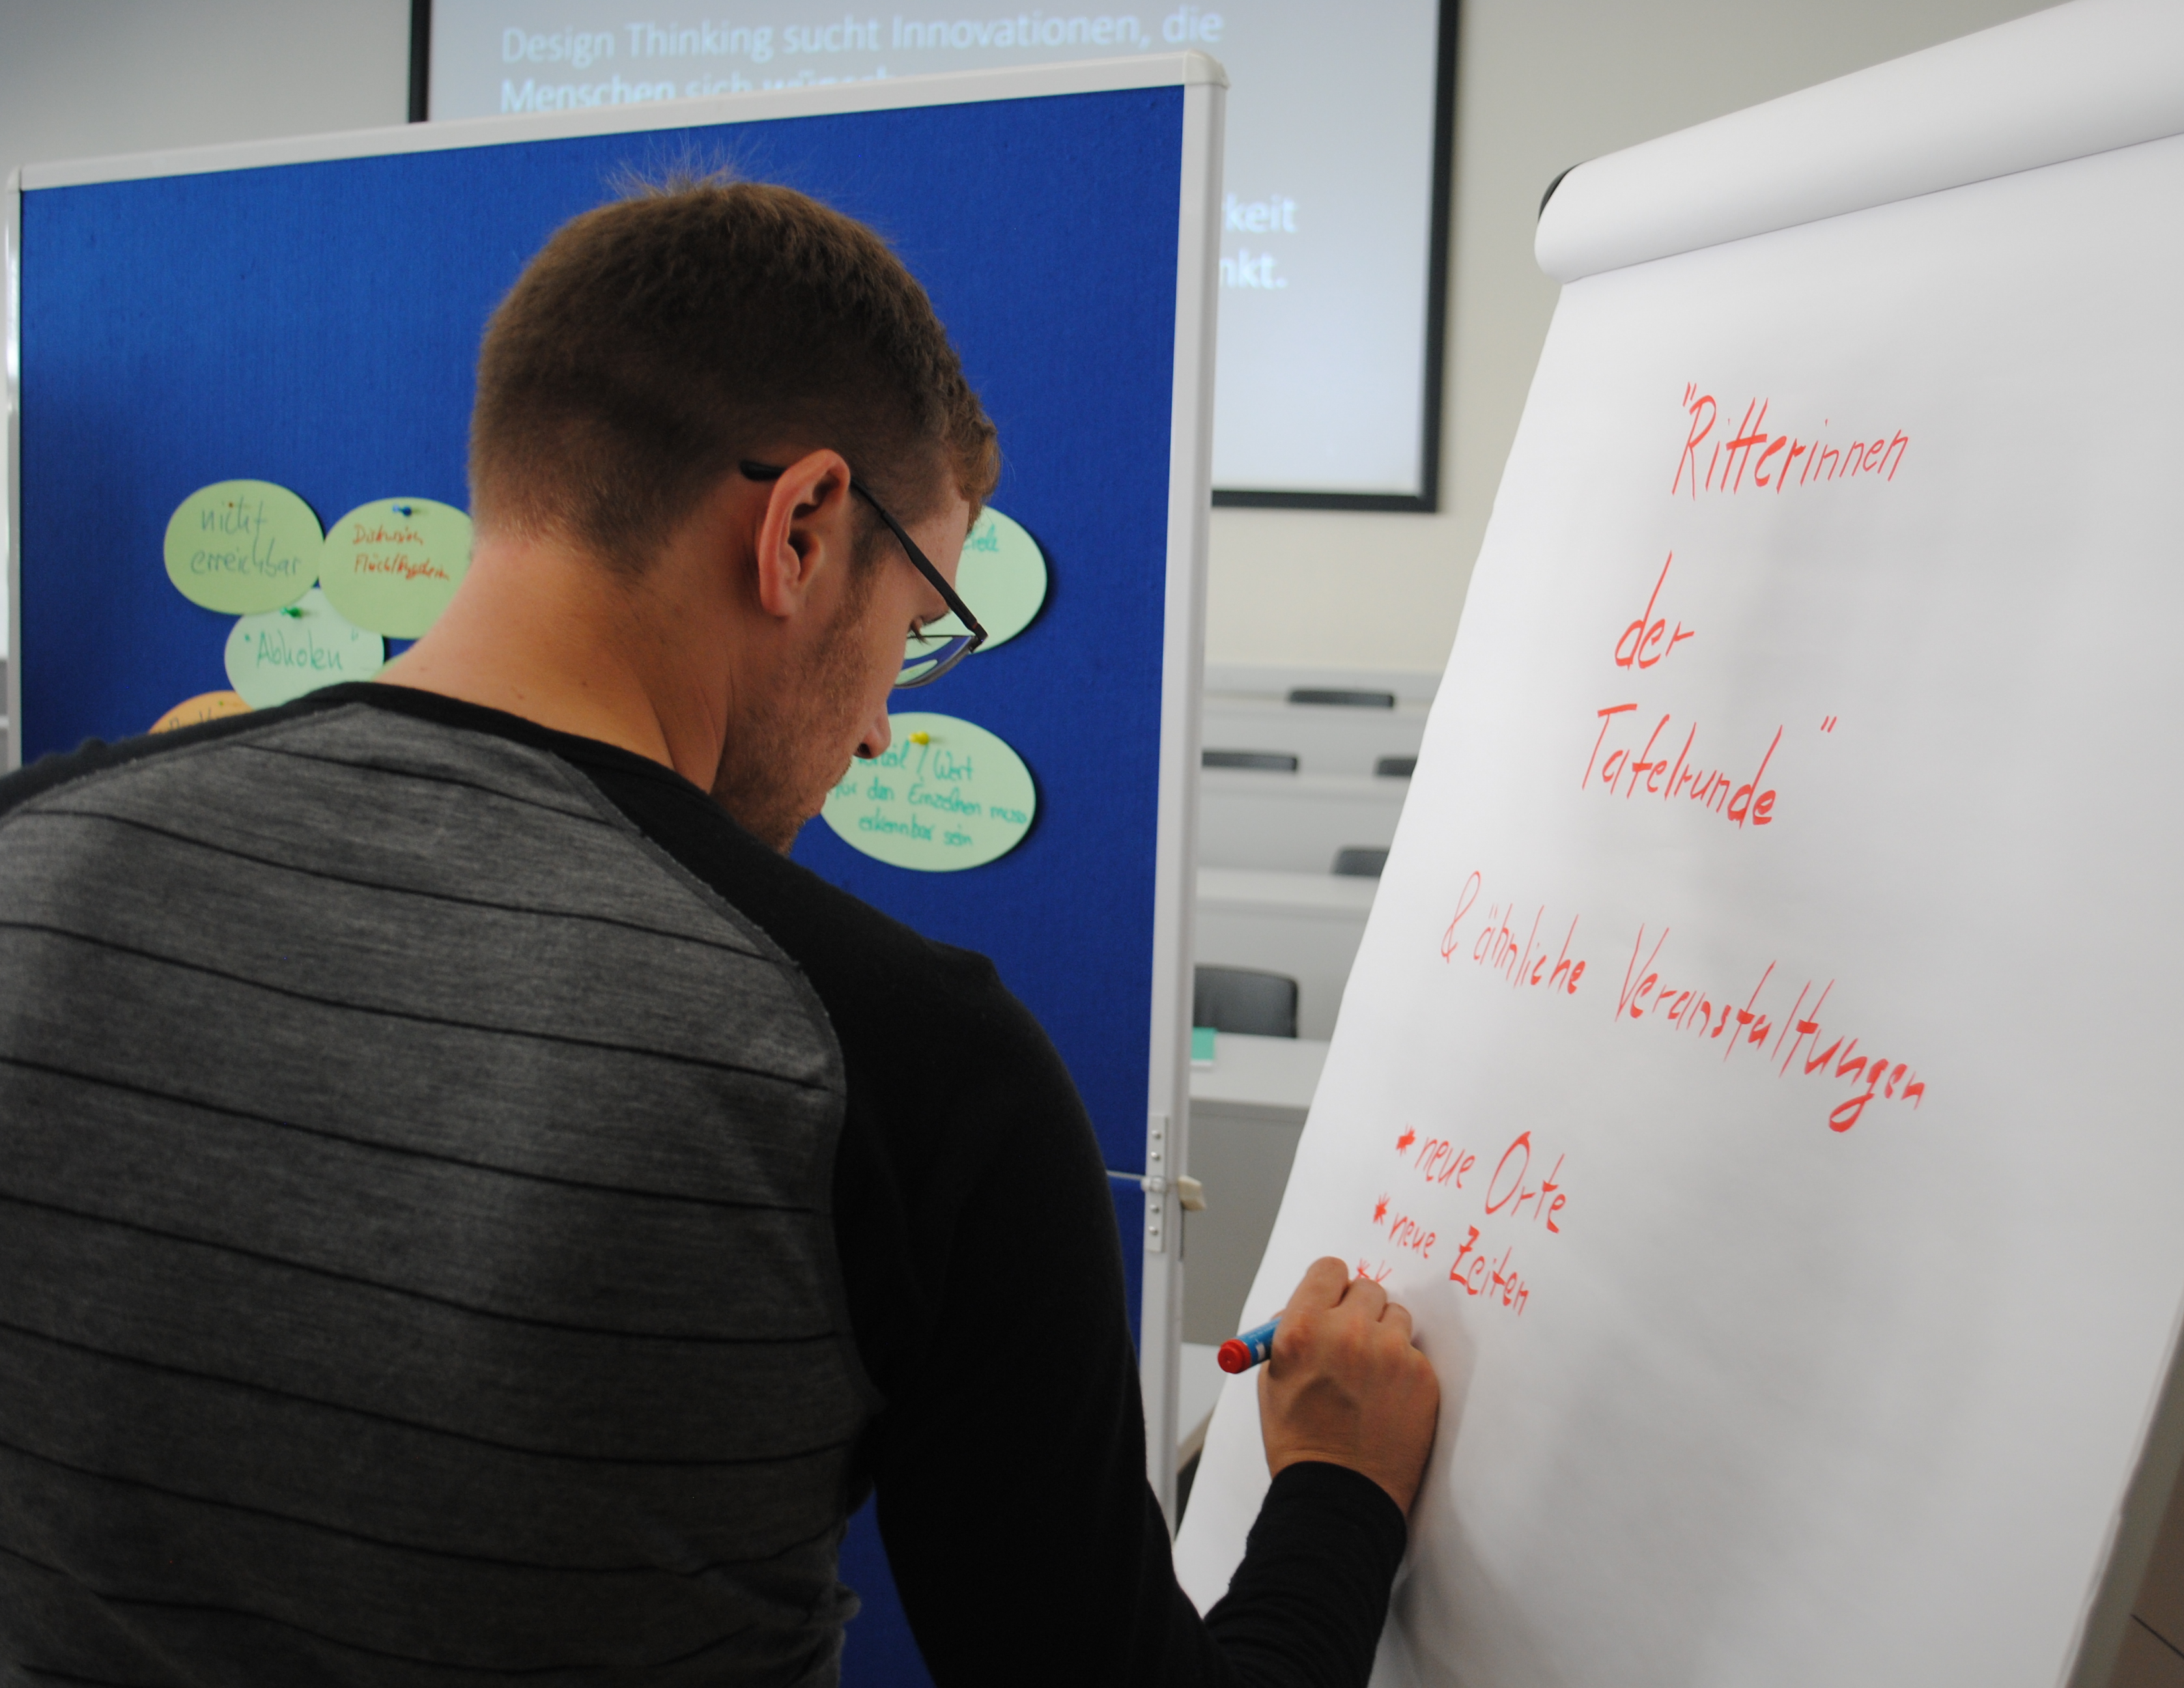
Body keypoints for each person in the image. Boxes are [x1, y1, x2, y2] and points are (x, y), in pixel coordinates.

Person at [0, 176, 1438, 1684]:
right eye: (917, 630)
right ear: (802, 529)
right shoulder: (907, 1066)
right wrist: (1337, 1492)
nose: (880, 728)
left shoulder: (33, 852)